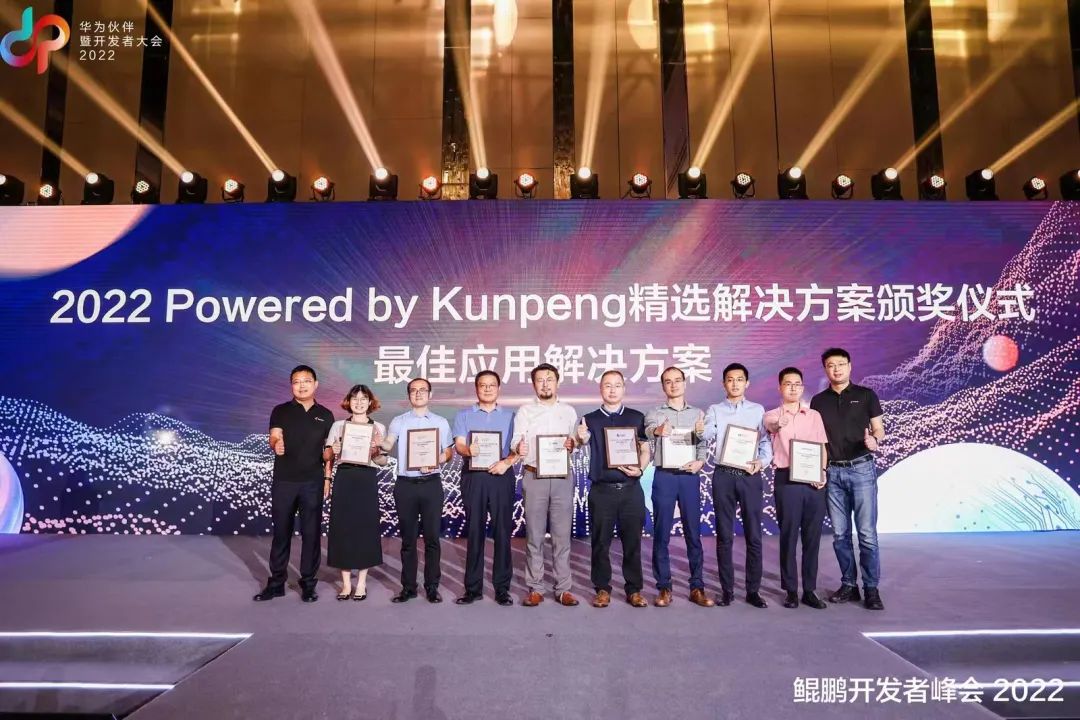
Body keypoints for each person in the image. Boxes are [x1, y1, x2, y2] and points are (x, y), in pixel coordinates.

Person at [809, 348, 886, 611]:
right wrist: (818, 470)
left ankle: (871, 588)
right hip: (832, 472)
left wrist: (874, 440)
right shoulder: (818, 401)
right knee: (840, 535)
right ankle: (849, 585)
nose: (836, 369)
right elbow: (817, 440)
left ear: (850, 366)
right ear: (825, 369)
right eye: (831, 365)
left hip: (861, 469)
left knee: (866, 534)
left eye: (841, 364)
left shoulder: (866, 395)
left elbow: (879, 428)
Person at [254, 365, 334, 603]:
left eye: (306, 381)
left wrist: (328, 477)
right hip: (285, 481)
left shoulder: (326, 415)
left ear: (315, 384)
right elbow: (274, 435)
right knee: (281, 533)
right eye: (297, 381)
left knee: (311, 535)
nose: (302, 385)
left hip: (313, 482)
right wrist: (276, 444)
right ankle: (276, 583)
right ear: (292, 386)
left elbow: (328, 452)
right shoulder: (280, 410)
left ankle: (308, 584)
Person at [703, 363, 773, 608]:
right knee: (724, 535)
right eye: (730, 380)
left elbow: (765, 443)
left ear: (747, 383)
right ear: (724, 383)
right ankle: (727, 590)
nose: (734, 384)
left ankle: (753, 591)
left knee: (754, 535)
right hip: (723, 475)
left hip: (749, 475)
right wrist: (701, 430)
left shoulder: (757, 410)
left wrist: (761, 462)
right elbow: (707, 435)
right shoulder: (714, 410)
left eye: (739, 379)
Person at [512, 363, 581, 607]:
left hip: (562, 478)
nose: (545, 384)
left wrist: (573, 444)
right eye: (540, 380)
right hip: (534, 477)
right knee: (535, 536)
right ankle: (536, 587)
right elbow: (515, 440)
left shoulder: (569, 411)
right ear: (534, 384)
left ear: (557, 382)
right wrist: (518, 447)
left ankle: (563, 588)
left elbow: (574, 442)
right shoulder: (525, 411)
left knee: (562, 537)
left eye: (549, 379)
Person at [644, 366, 713, 608]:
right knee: (661, 533)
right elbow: (648, 432)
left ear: (684, 383)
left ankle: (697, 587)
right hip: (664, 476)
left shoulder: (697, 413)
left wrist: (700, 462)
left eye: (677, 380)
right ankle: (664, 587)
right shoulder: (655, 413)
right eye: (668, 381)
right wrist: (657, 430)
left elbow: (702, 444)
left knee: (693, 533)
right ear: (663, 386)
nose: (673, 385)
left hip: (689, 477)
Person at [581, 370, 651, 608]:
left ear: (624, 388)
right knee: (600, 543)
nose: (612, 390)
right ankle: (602, 588)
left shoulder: (637, 417)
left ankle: (634, 589)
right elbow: (579, 442)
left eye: (617, 385)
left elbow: (645, 449)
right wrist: (580, 437)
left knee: (632, 542)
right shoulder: (589, 419)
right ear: (600, 389)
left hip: (631, 489)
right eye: (607, 385)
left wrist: (640, 469)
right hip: (602, 490)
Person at [763, 368, 829, 610]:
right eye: (788, 383)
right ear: (780, 387)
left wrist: (822, 472)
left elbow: (822, 447)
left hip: (813, 482)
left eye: (797, 383)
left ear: (802, 387)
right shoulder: (772, 415)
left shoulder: (814, 415)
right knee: (789, 536)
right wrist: (778, 424)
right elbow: (770, 426)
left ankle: (809, 590)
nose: (793, 387)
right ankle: (791, 590)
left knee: (812, 538)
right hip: (787, 480)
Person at [383, 378, 453, 604]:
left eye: (423, 390)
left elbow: (449, 452)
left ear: (430, 395)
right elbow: (388, 444)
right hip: (406, 485)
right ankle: (408, 587)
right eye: (413, 390)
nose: (418, 393)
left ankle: (432, 587)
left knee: (432, 538)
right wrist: (378, 444)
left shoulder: (440, 422)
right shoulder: (399, 421)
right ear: (409, 395)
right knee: (408, 540)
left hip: (431, 483)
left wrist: (437, 460)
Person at [452, 370, 518, 606]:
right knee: (474, 532)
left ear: (499, 388)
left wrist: (506, 462)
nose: (488, 389)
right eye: (483, 385)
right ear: (476, 388)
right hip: (474, 476)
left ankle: (502, 588)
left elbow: (518, 449)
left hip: (501, 475)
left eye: (492, 385)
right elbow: (459, 445)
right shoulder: (463, 415)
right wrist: (468, 450)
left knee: (502, 532)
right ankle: (472, 589)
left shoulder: (512, 417)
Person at [323, 384, 387, 602]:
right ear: (348, 402)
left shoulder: (378, 427)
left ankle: (361, 583)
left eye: (363, 399)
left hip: (366, 478)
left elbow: (383, 462)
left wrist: (377, 451)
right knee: (342, 527)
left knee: (365, 528)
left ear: (370, 402)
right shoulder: (338, 426)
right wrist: (333, 451)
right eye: (355, 399)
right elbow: (327, 456)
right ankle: (346, 583)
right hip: (345, 478)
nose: (359, 403)